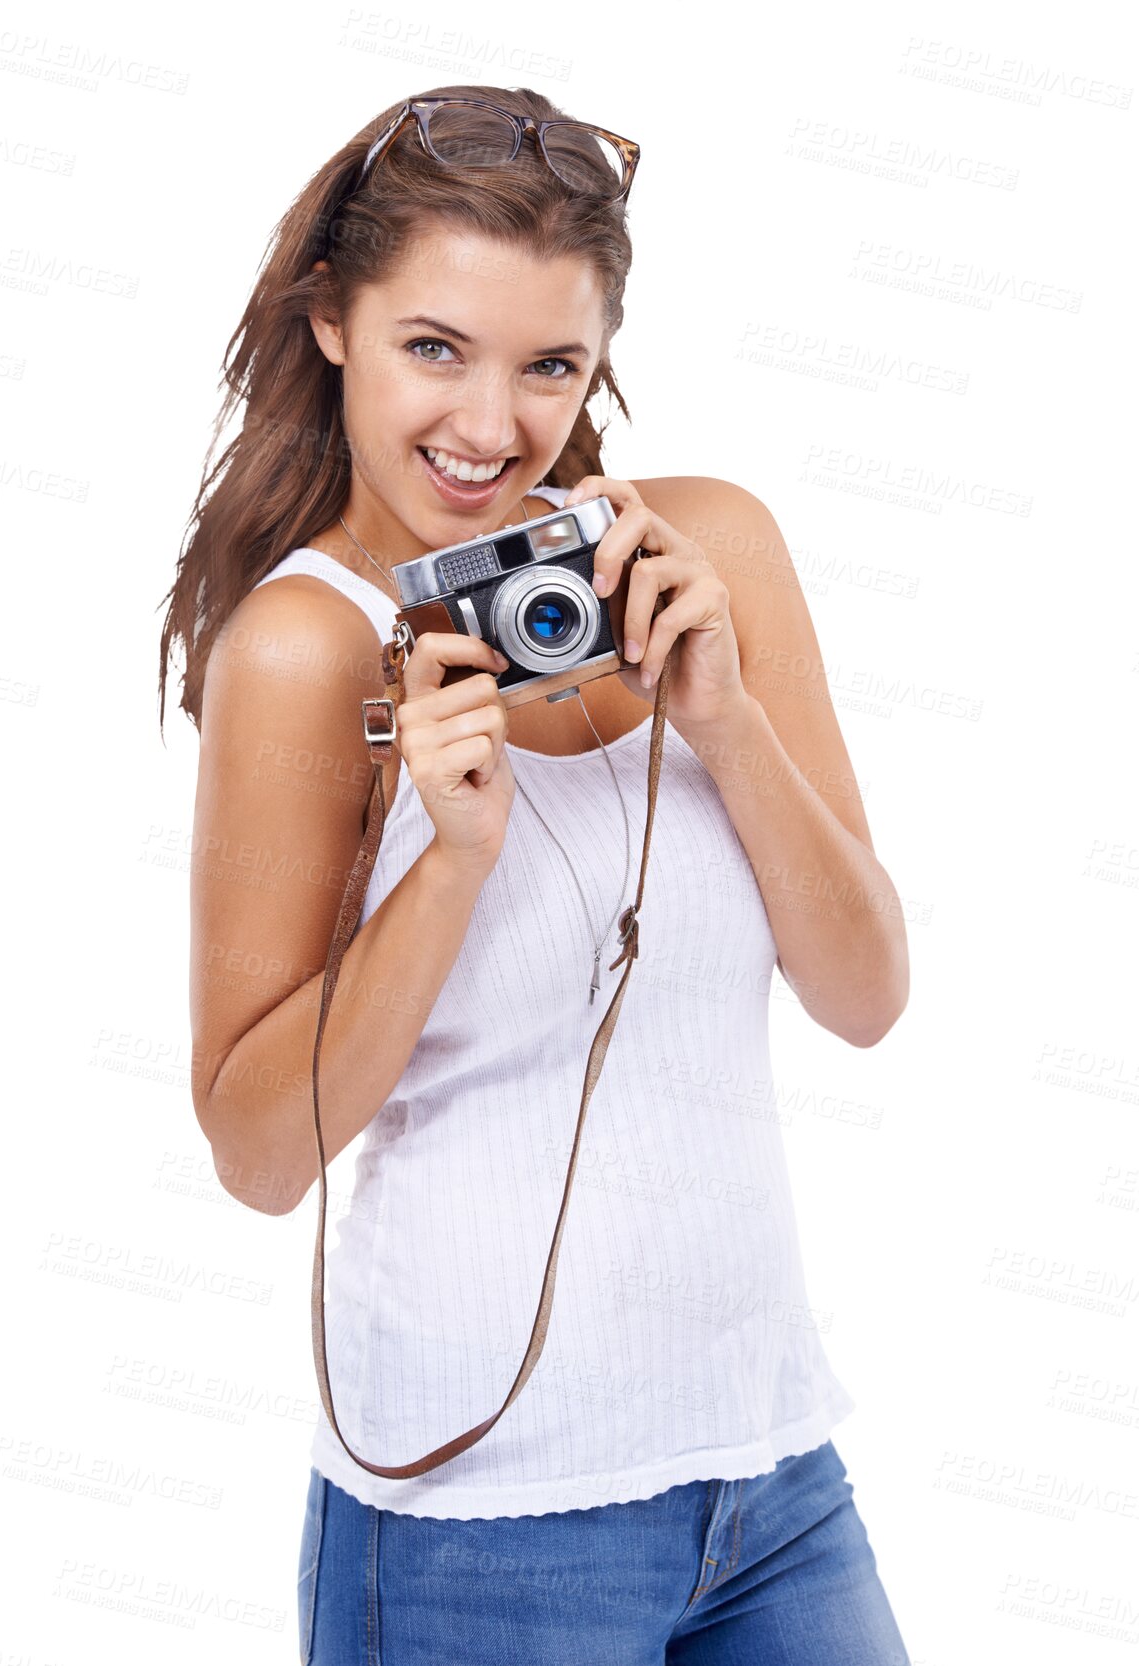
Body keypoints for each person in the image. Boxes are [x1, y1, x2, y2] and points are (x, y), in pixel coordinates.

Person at [159, 84, 911, 1665]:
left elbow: (864, 993)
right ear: (332, 324)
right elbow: (255, 1150)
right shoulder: (305, 648)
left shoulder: (709, 550)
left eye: (549, 364)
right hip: (478, 1527)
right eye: (436, 345)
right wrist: (454, 859)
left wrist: (723, 718)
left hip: (771, 1481)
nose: (491, 427)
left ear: (598, 360)